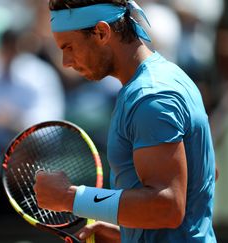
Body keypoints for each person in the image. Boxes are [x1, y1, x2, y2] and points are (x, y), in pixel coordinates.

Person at [33, 0, 217, 242]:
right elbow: (200, 175)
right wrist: (128, 232)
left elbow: (168, 207)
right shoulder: (165, 77)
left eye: (69, 47)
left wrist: (69, 198)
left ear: (101, 32)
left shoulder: (151, 97)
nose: (66, 62)